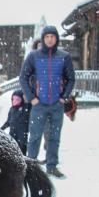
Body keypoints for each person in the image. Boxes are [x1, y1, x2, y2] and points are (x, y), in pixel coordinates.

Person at [19, 25, 75, 178]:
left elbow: (71, 79)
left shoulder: (64, 56)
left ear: (56, 39)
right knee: (35, 137)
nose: (50, 40)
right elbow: (23, 77)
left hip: (57, 105)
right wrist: (32, 98)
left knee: (54, 137)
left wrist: (64, 97)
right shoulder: (34, 56)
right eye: (47, 37)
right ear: (43, 39)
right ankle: (30, 167)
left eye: (52, 37)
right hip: (39, 104)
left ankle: (51, 166)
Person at [0, 90, 30, 155]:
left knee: (22, 151)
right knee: (12, 150)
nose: (15, 101)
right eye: (13, 99)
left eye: (18, 99)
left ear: (22, 100)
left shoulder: (26, 107)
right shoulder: (12, 109)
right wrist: (1, 129)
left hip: (22, 135)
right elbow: (8, 121)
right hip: (12, 133)